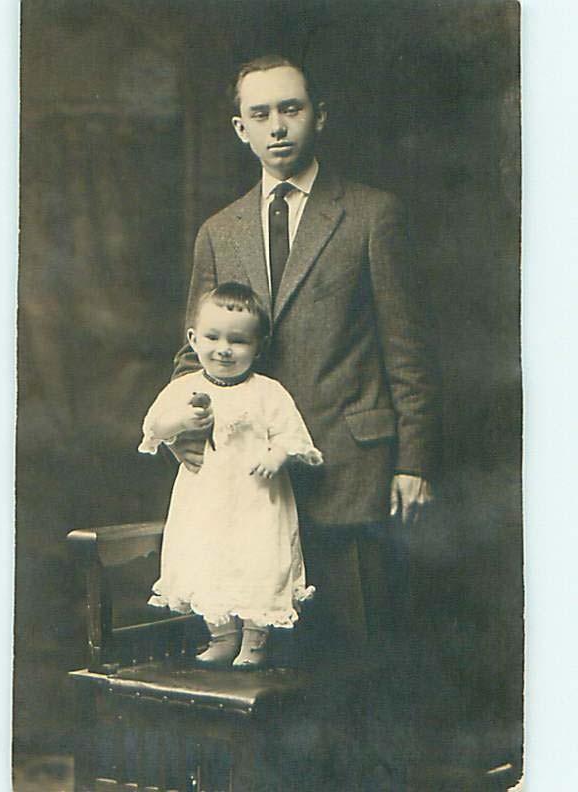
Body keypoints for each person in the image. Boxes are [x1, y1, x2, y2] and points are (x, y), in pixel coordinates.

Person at [170, 54, 440, 661]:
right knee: (268, 666)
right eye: (259, 114)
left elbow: (408, 353)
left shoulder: (372, 215)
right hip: (249, 489)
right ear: (240, 128)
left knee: (356, 658)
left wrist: (414, 462)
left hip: (351, 473)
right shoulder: (219, 232)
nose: (277, 127)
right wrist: (185, 432)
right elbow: (192, 359)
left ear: (319, 115)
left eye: (290, 109)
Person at [138, 282, 321, 668]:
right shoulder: (185, 388)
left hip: (257, 497)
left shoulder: (266, 392)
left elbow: (292, 435)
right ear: (193, 339)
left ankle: (255, 640)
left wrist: (277, 455)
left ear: (257, 346)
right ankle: (221, 634)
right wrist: (181, 421)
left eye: (238, 341)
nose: (223, 349)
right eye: (213, 337)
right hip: (206, 498)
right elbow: (154, 428)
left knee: (259, 559)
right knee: (209, 557)